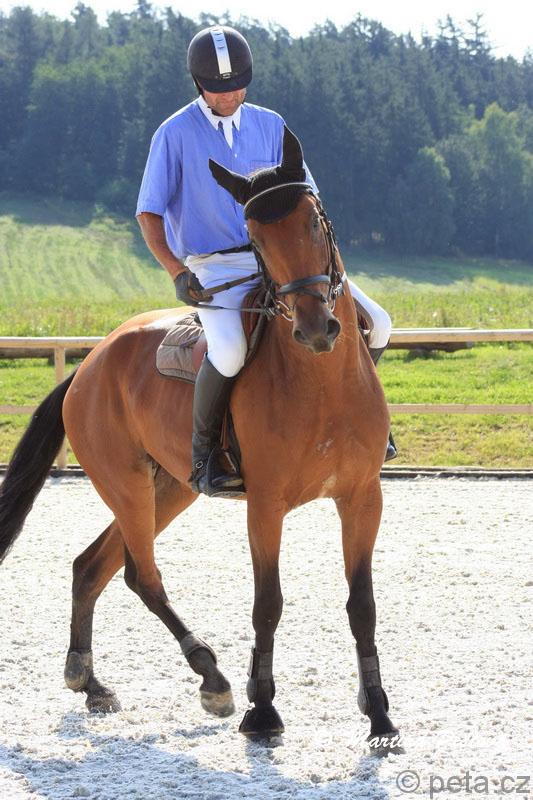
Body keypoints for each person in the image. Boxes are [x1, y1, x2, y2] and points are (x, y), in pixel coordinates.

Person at [136, 25, 395, 498]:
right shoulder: (173, 134)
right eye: (218, 89)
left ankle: (362, 422)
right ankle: (206, 454)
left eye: (238, 85)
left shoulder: (271, 125)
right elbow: (148, 213)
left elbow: (309, 198)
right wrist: (177, 271)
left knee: (378, 322)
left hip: (284, 260)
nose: (230, 95)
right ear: (198, 84)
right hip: (216, 265)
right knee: (229, 351)